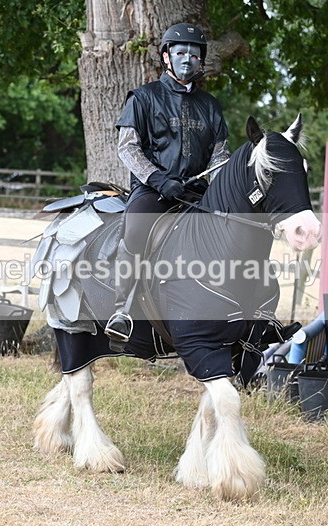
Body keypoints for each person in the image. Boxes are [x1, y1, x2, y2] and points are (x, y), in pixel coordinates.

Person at [104, 22, 230, 350]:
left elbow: (221, 156)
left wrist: (221, 193)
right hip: (154, 189)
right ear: (166, 56)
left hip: (198, 193)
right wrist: (159, 179)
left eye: (194, 53)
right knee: (134, 229)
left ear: (201, 61)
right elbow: (127, 148)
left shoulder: (212, 106)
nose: (188, 58)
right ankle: (123, 308)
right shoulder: (143, 98)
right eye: (180, 52)